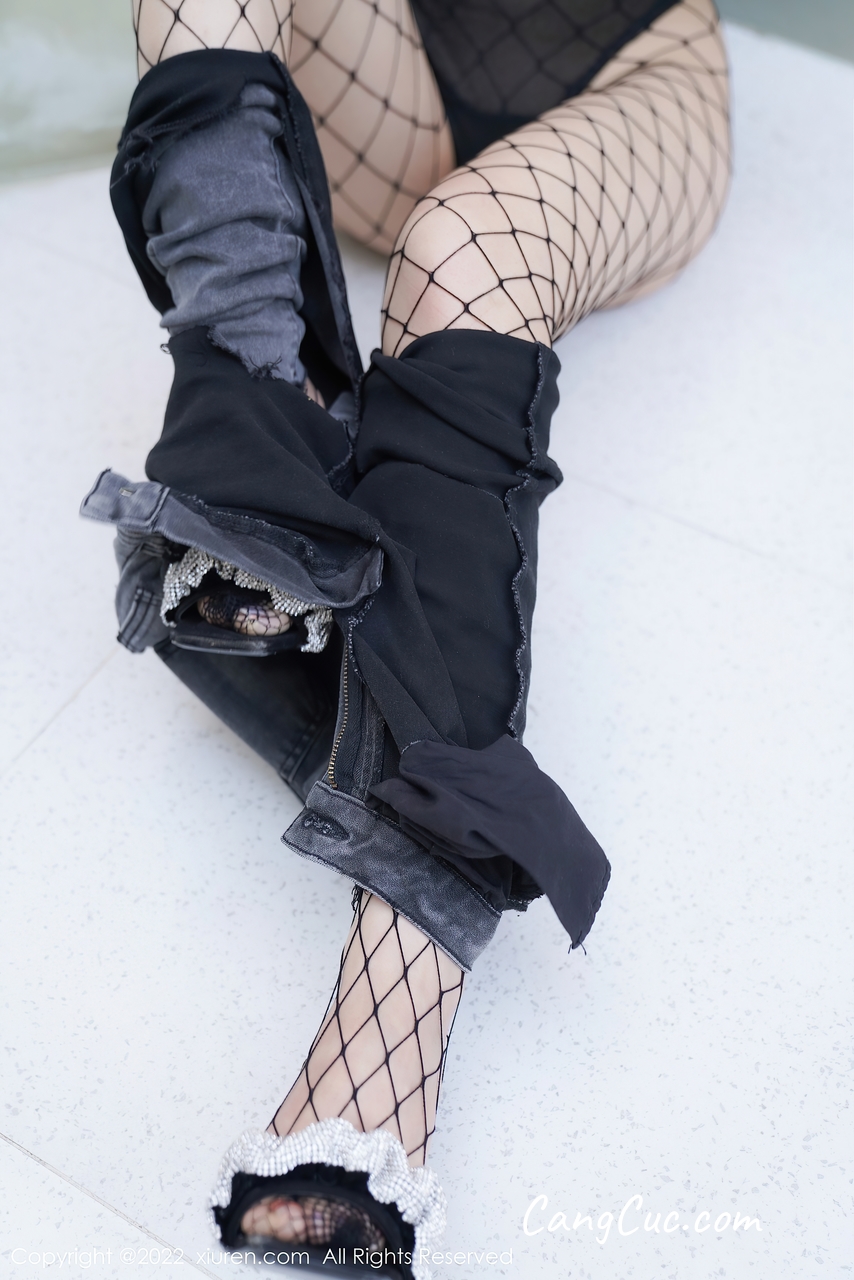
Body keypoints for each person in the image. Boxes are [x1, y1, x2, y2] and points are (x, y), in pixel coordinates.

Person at [81, 2, 730, 1276]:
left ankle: (401, 977)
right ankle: (264, 421)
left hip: (625, 74)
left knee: (468, 243)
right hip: (389, 60)